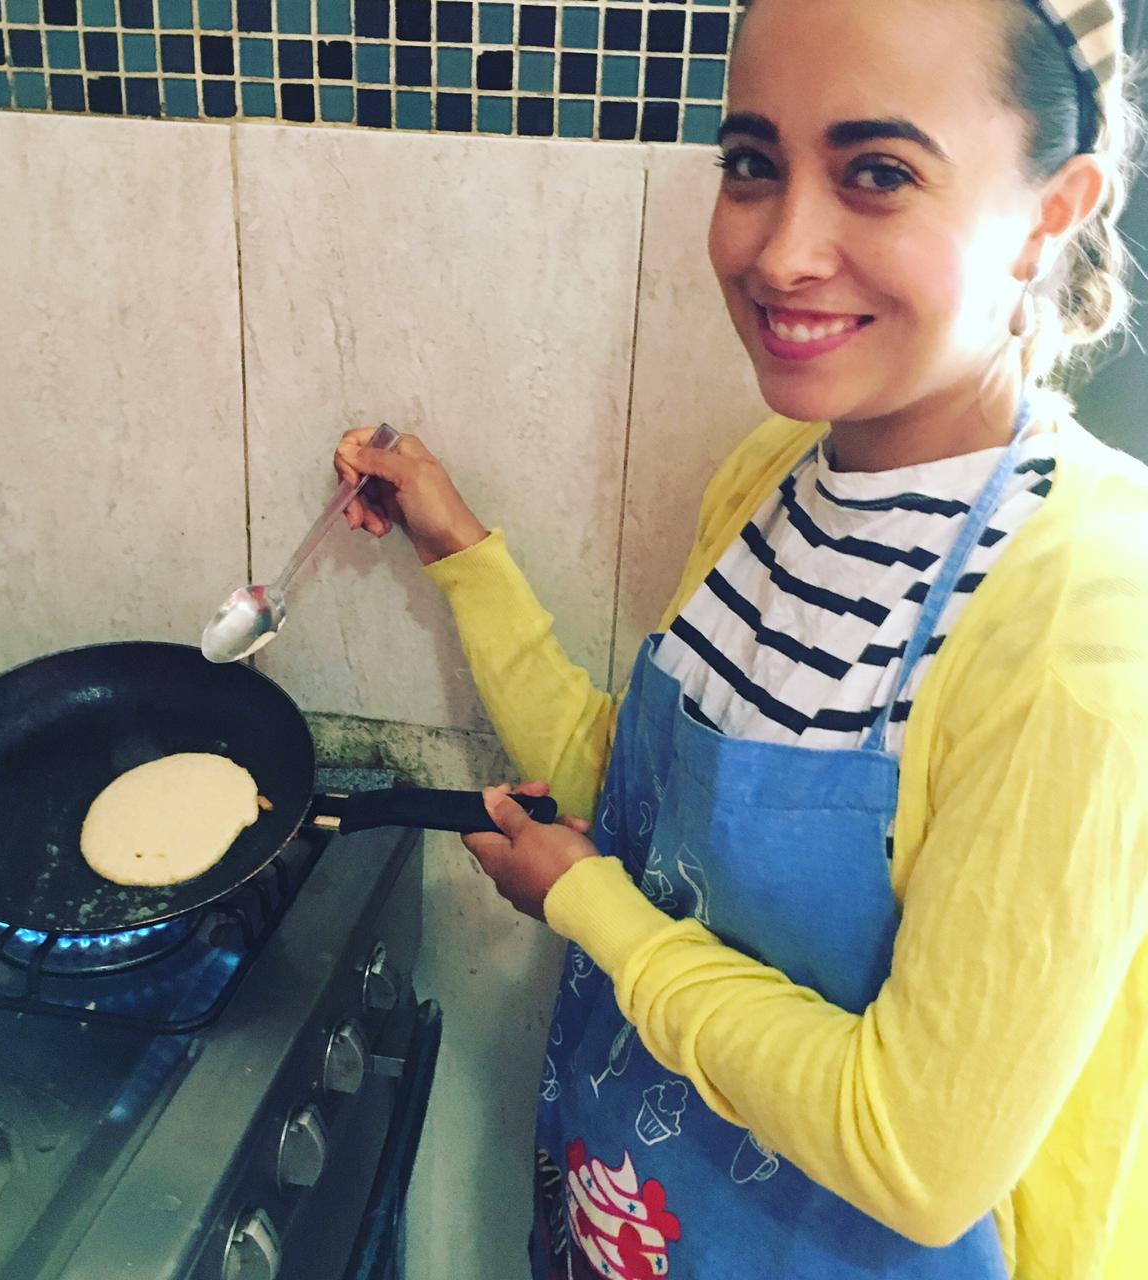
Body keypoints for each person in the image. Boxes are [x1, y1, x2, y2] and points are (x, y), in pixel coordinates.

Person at [334, 0, 1147, 1275]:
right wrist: (454, 544)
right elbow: (649, 815)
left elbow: (915, 1152)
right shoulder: (772, 475)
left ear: (1049, 213)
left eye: (878, 172)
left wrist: (587, 904)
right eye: (751, 162)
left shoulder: (1085, 611)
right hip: (634, 1220)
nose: (779, 251)